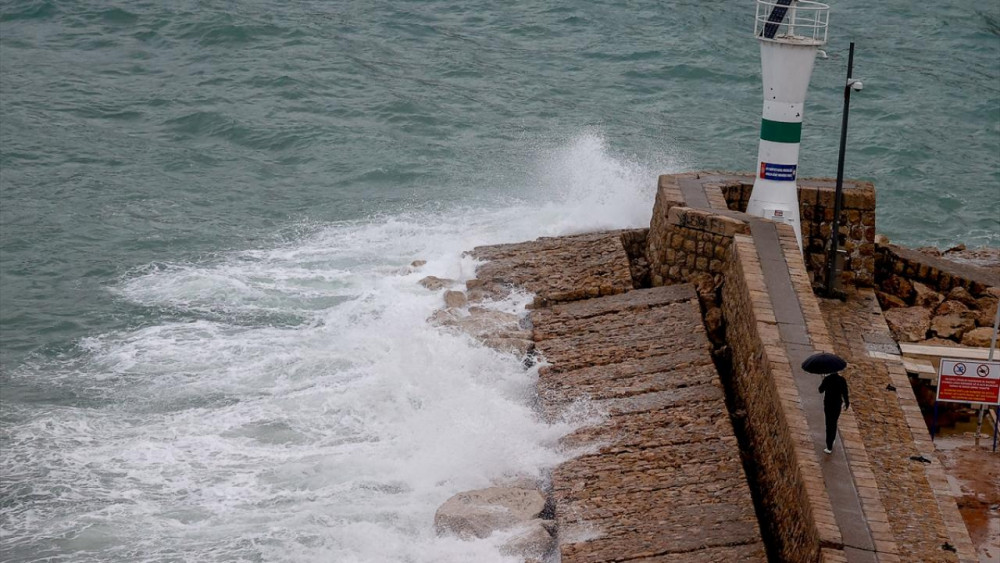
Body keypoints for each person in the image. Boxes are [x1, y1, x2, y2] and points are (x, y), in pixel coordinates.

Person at [819, 371, 850, 454]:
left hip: (828, 404)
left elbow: (820, 390)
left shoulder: (827, 379)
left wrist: (824, 382)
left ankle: (829, 446)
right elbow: (845, 393)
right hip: (837, 405)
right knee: (834, 422)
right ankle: (832, 439)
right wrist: (847, 403)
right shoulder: (842, 380)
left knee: (828, 423)